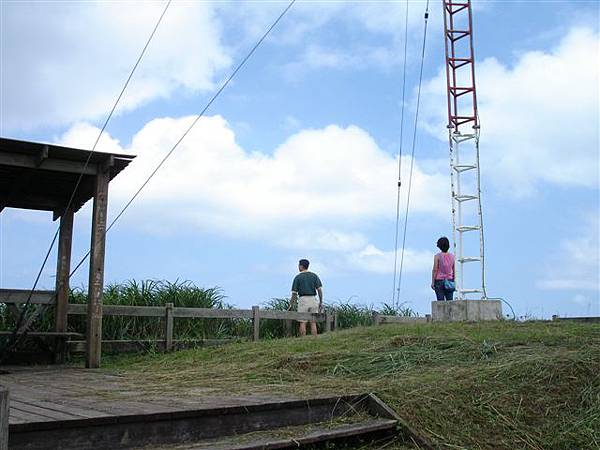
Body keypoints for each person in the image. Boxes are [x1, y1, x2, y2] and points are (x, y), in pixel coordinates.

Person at [291, 259, 323, 336]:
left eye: (299, 265)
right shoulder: (314, 276)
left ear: (301, 266)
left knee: (302, 321)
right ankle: (314, 339)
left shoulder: (298, 277)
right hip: (313, 299)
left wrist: (292, 303)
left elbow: (294, 294)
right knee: (313, 321)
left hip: (303, 300)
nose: (298, 267)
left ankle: (303, 340)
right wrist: (320, 302)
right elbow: (319, 290)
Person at [431, 237, 455, 301]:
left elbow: (435, 270)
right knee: (450, 302)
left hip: (439, 281)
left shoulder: (437, 256)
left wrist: (433, 282)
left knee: (440, 302)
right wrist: (454, 280)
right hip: (449, 280)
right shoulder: (452, 256)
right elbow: (454, 270)